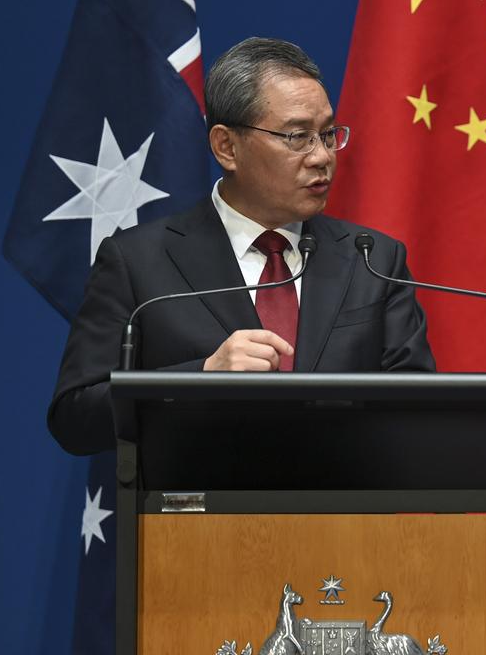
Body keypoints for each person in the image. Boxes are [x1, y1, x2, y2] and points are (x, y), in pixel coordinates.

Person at [49, 37, 435, 455]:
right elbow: (75, 418)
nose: (322, 156)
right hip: (195, 516)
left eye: (327, 135)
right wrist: (202, 377)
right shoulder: (137, 261)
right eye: (297, 136)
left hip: (346, 515)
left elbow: (418, 412)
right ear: (226, 147)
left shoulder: (373, 260)